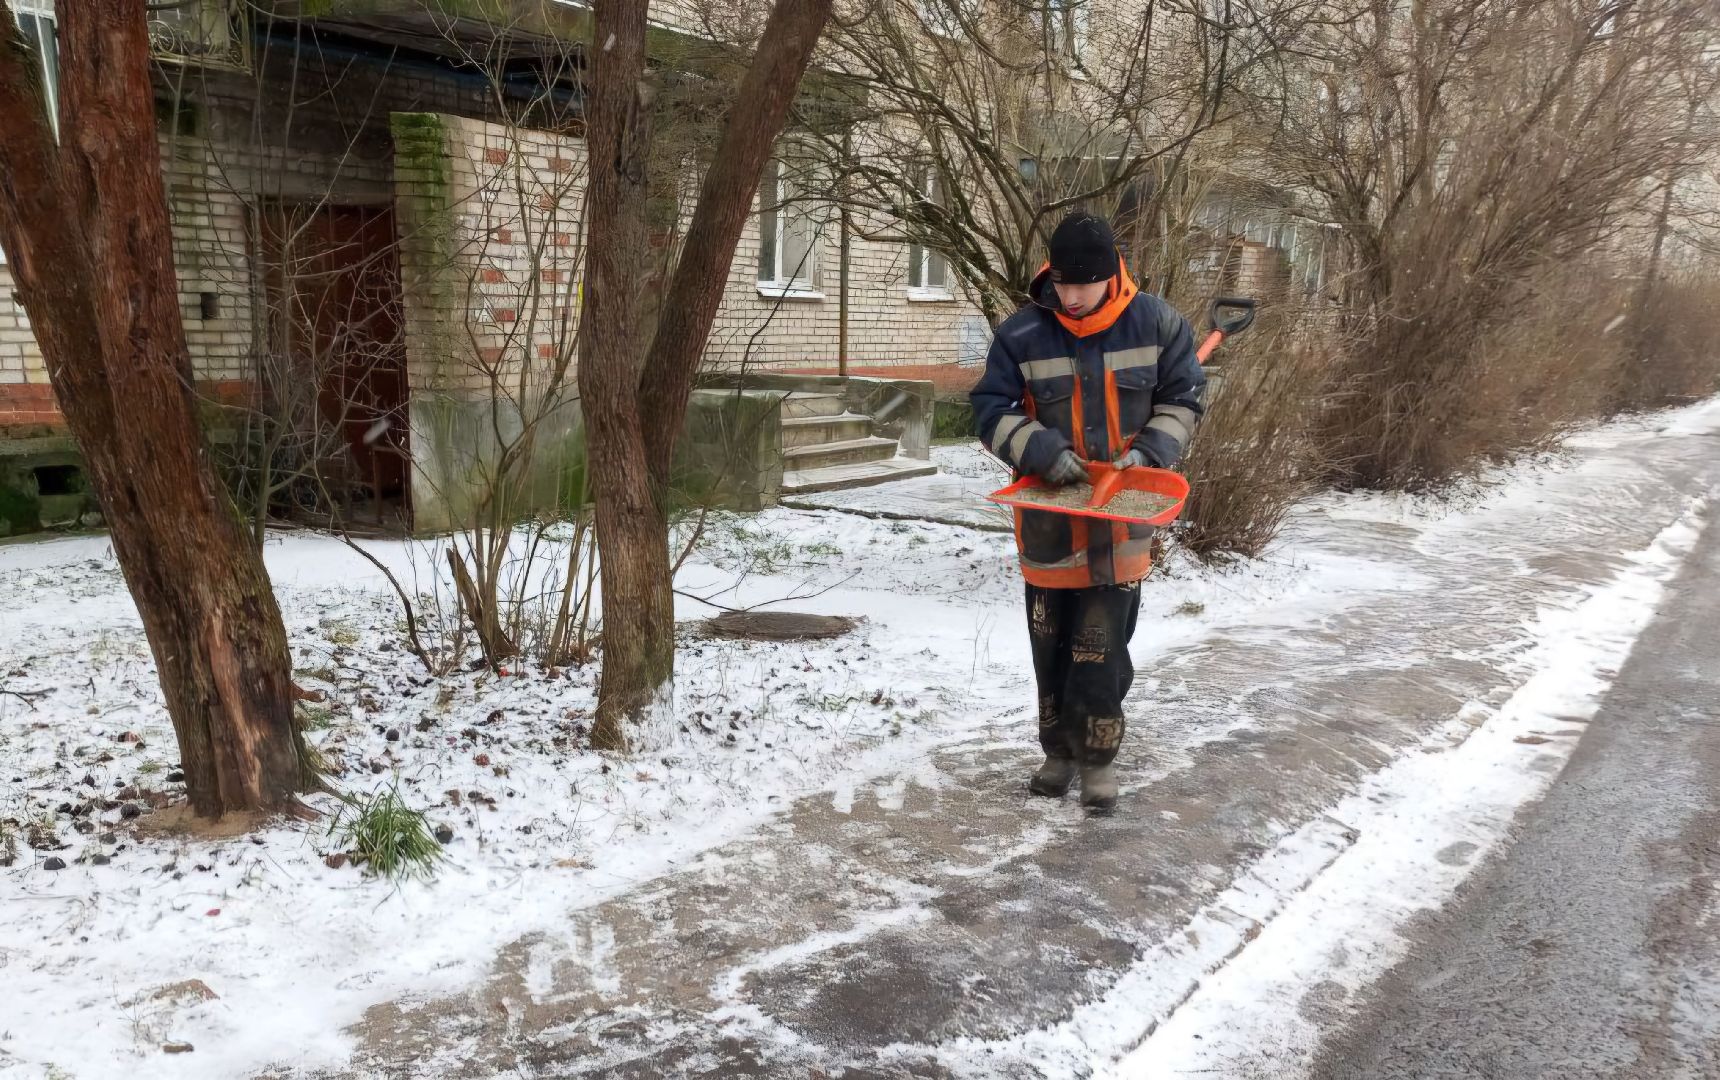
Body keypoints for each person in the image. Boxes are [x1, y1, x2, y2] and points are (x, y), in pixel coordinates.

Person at [970, 212, 1204, 813]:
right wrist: (1039, 449)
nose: (1072, 298)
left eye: (1085, 286)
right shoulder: (1022, 334)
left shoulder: (1156, 323)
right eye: (1063, 285)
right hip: (1049, 519)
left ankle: (1098, 757)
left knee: (1101, 646)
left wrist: (1151, 449)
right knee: (1050, 643)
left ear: (1112, 277)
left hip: (1123, 515)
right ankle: (1057, 751)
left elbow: (1183, 397)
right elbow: (990, 408)